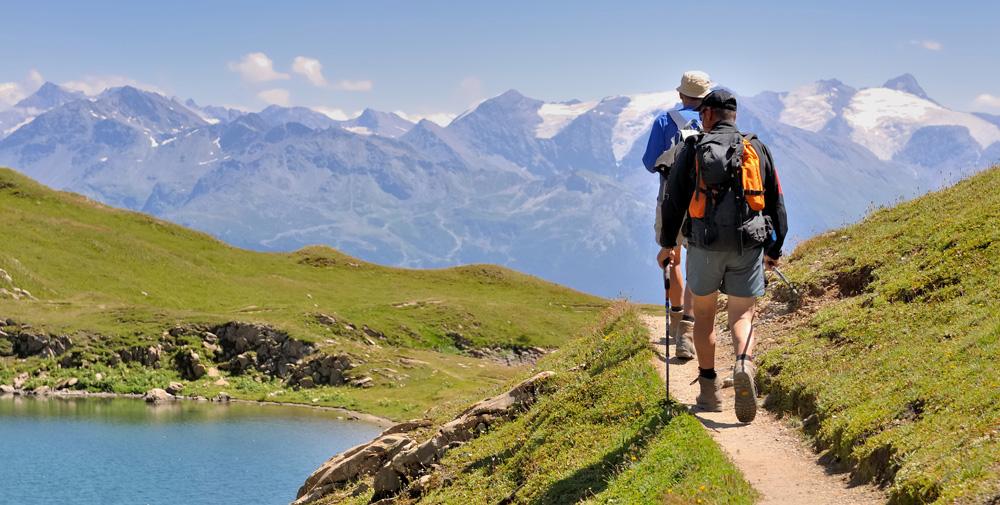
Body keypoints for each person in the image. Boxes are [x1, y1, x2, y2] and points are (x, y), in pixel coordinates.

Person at [658, 89, 788, 422]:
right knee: (742, 316)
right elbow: (776, 199)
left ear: (711, 114)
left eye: (702, 113)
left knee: (703, 318)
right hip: (748, 244)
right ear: (733, 115)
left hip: (704, 246)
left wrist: (668, 244)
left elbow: (674, 200)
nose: (700, 117)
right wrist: (774, 248)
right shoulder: (755, 147)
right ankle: (744, 362)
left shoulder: (694, 148)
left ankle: (708, 391)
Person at [643, 70, 712, 360]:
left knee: (672, 256)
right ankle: (687, 327)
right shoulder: (713, 119)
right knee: (696, 260)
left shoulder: (664, 121)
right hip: (704, 202)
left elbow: (649, 162)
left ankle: (675, 317)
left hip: (671, 198)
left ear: (680, 94)